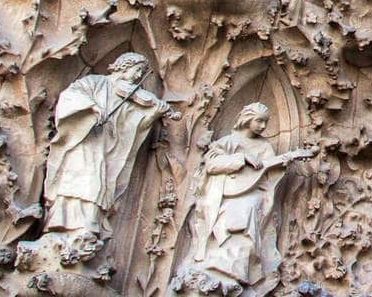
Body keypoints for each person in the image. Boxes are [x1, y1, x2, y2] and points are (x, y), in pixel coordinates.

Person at [181, 103, 315, 292]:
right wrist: (241, 158)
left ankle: (239, 270)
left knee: (251, 210)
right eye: (259, 121)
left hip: (253, 194)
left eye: (265, 122)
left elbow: (266, 173)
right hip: (226, 195)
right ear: (247, 120)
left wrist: (285, 160)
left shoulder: (265, 146)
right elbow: (211, 165)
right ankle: (217, 265)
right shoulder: (229, 141)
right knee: (228, 220)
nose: (262, 126)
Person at [43, 53, 173, 240]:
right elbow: (71, 96)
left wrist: (153, 114)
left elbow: (133, 126)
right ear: (124, 67)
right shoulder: (95, 82)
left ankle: (88, 224)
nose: (138, 76)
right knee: (82, 180)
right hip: (84, 140)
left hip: (105, 146)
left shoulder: (130, 97)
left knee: (99, 184)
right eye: (137, 70)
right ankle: (64, 224)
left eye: (141, 73)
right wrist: (92, 108)